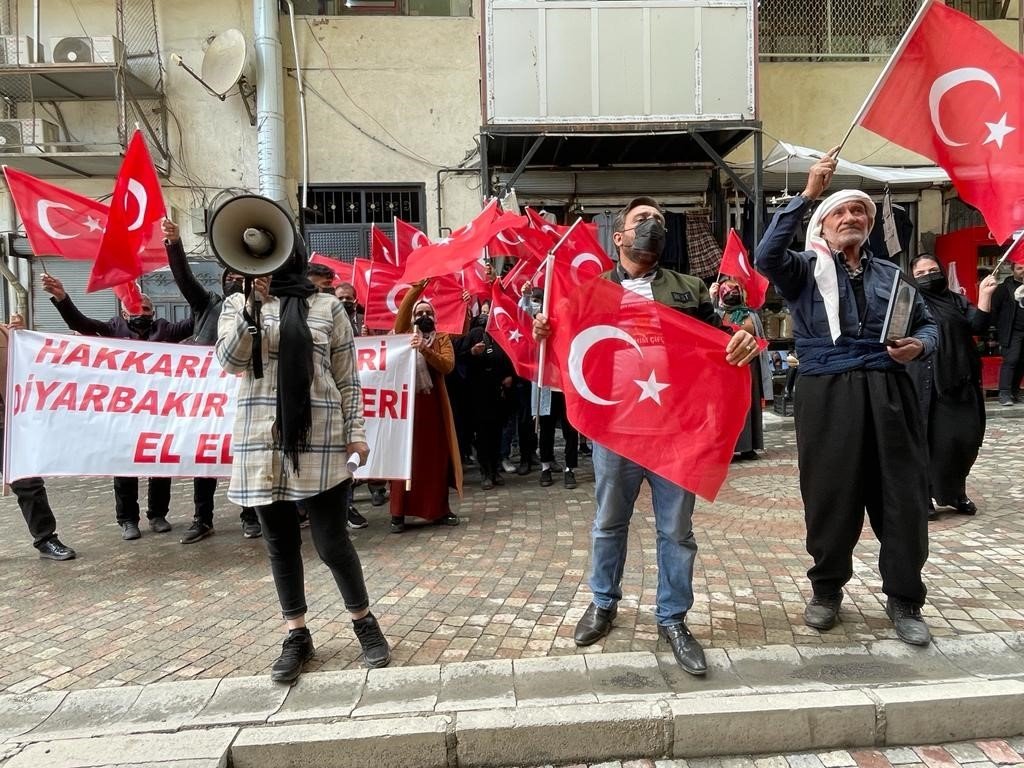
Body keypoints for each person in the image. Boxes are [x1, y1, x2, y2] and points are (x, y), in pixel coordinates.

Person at [533, 196, 759, 676]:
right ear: (618, 237)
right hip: (615, 429)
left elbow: (726, 332)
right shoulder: (590, 292)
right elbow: (566, 347)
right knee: (608, 521)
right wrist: (545, 331)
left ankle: (673, 618)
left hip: (676, 429)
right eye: (641, 220)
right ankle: (602, 603)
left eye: (658, 220)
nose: (652, 225)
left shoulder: (691, 287)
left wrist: (745, 333)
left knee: (676, 531)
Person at [755, 149, 939, 646]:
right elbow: (765, 256)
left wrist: (920, 345)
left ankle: (904, 600)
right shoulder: (803, 270)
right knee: (830, 495)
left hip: (889, 390)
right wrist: (809, 192)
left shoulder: (893, 275)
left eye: (859, 212)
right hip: (827, 393)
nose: (852, 217)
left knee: (901, 497)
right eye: (840, 211)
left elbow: (927, 324)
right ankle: (827, 591)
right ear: (823, 223)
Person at [216, 245, 390, 683]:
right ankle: (297, 635)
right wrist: (251, 311)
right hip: (261, 440)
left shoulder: (328, 305)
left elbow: (347, 377)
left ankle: (364, 622)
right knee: (280, 544)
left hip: (322, 438)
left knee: (332, 542)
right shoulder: (237, 304)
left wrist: (357, 433)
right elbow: (230, 361)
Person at [42, 275, 194, 541]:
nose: (141, 312)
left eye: (146, 308)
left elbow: (195, 321)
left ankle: (158, 515)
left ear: (153, 312)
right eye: (135, 308)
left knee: (161, 466)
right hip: (124, 414)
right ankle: (127, 520)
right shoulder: (113, 329)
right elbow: (81, 324)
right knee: (125, 467)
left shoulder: (165, 330)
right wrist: (62, 298)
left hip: (158, 412)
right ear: (124, 310)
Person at [162, 219, 263, 542]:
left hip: (243, 393)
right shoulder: (207, 305)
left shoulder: (257, 309)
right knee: (204, 456)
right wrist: (174, 244)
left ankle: (249, 516)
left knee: (242, 456)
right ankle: (202, 518)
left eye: (239, 277)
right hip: (207, 397)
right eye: (229, 277)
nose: (234, 280)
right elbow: (184, 279)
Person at [908, 256, 997, 519]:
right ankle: (924, 497)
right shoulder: (912, 303)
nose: (928, 275)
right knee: (931, 442)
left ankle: (955, 492)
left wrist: (984, 295)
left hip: (963, 381)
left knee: (965, 440)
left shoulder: (956, 300)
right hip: (929, 383)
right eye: (921, 272)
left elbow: (977, 326)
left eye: (933, 270)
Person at [0, 313, 76, 561]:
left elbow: (35, 364)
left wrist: (24, 336)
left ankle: (46, 539)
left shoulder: (6, 333)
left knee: (29, 482)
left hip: (8, 423)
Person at [389, 282, 463, 533]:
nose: (424, 317)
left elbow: (447, 366)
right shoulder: (403, 336)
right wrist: (416, 289)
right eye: (419, 313)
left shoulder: (441, 338)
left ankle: (438, 510)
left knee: (435, 458)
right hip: (406, 407)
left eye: (428, 313)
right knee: (404, 457)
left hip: (433, 405)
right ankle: (398, 513)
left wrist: (426, 350)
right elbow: (401, 319)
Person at [709, 277, 773, 461]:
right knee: (726, 409)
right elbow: (706, 328)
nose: (731, 294)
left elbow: (762, 342)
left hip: (750, 368)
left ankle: (748, 447)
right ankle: (726, 447)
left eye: (734, 291)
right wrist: (710, 297)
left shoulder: (752, 315)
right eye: (727, 292)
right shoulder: (717, 315)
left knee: (749, 407)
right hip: (725, 370)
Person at [462, 305, 514, 490]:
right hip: (478, 395)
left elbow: (510, 357)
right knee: (483, 436)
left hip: (498, 393)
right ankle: (485, 472)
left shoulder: (501, 334)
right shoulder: (474, 334)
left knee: (496, 433)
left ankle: (495, 469)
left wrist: (509, 376)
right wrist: (472, 353)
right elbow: (458, 360)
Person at [990, 261, 1024, 406]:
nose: (1023, 270)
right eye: (1020, 268)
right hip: (1012, 332)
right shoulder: (1004, 288)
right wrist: (997, 330)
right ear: (1013, 270)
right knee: (1011, 361)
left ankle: (1015, 392)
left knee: (1022, 362)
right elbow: (994, 310)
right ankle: (1004, 393)